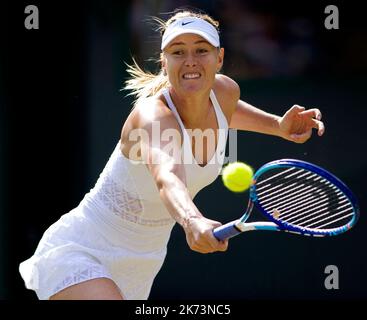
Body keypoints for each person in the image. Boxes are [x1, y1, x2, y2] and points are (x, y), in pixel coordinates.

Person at [19, 9, 325, 300]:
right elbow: (167, 177)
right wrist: (192, 221)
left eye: (201, 50)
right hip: (82, 249)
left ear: (219, 58)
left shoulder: (225, 92)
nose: (190, 60)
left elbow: (226, 112)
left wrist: (278, 126)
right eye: (178, 52)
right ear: (164, 62)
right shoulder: (153, 117)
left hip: (144, 262)